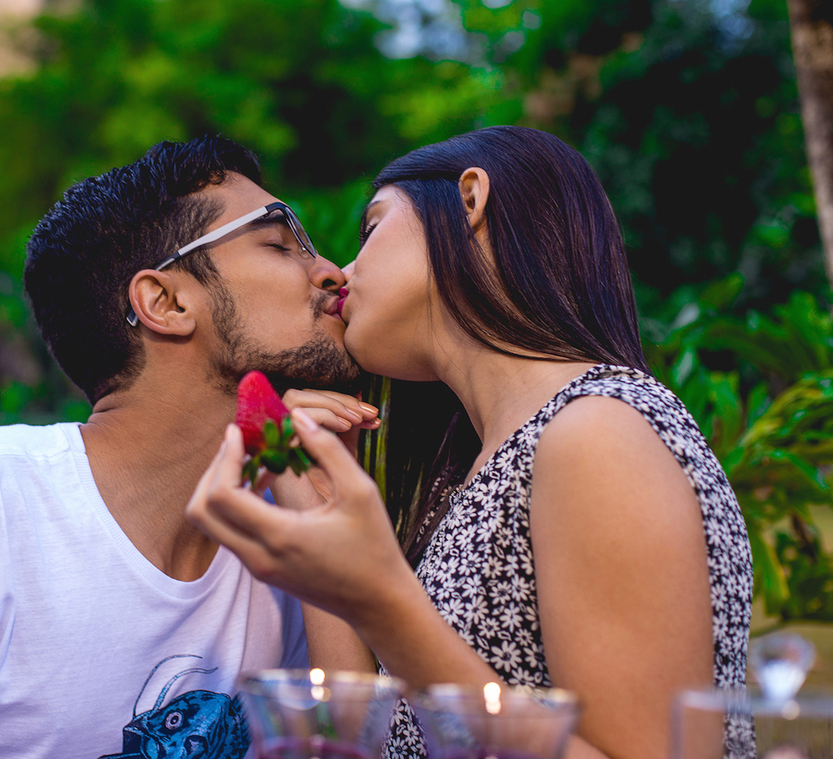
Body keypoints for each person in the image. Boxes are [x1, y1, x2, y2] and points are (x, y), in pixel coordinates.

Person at [0, 136, 375, 759]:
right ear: (165, 302)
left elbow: (342, 748)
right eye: (280, 243)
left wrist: (320, 525)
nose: (332, 270)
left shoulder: (284, 529)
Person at [186, 126, 754, 759]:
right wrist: (317, 510)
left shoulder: (597, 432)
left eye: (371, 229)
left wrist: (382, 600)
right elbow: (361, 743)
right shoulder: (491, 465)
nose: (342, 274)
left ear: (468, 202)